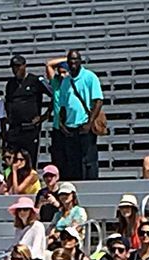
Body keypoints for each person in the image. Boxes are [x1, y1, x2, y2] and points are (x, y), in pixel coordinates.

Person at [48, 50, 104, 181]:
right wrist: (61, 123)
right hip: (70, 127)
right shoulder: (66, 81)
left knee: (88, 161)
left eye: (75, 59)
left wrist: (89, 123)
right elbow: (62, 104)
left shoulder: (90, 77)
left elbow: (98, 100)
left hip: (84, 125)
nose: (73, 63)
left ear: (80, 61)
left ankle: (91, 187)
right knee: (73, 162)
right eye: (70, 60)